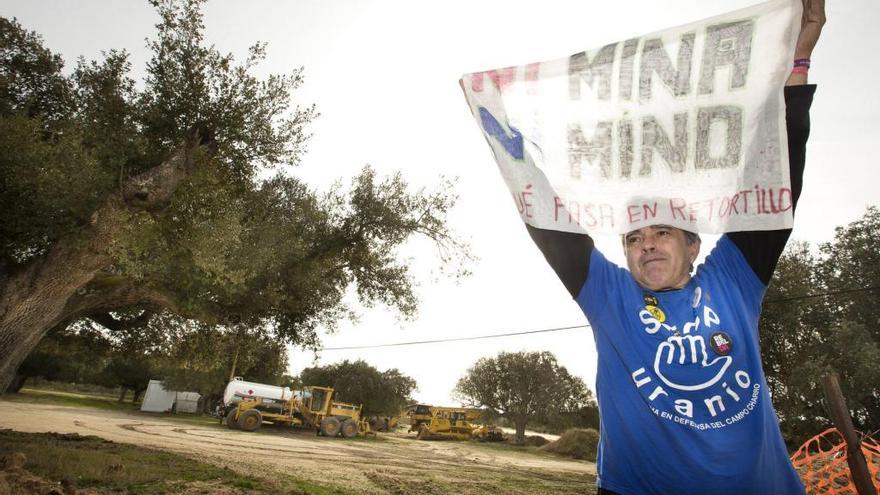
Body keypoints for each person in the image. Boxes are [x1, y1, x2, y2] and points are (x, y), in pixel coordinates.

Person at [524, 1, 826, 493]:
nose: (646, 245)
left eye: (661, 232)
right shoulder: (610, 296)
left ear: (692, 245)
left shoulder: (733, 278)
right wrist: (511, 145)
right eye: (633, 238)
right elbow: (551, 226)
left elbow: (779, 175)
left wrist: (798, 61)